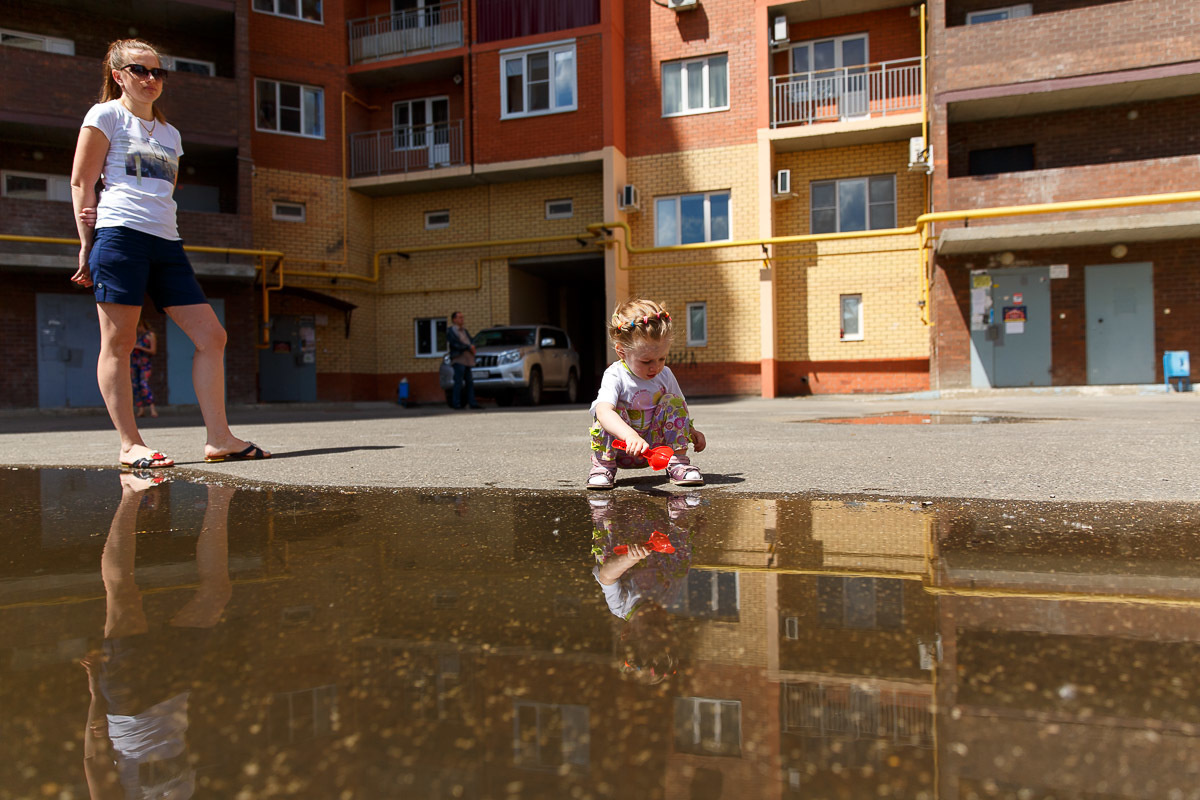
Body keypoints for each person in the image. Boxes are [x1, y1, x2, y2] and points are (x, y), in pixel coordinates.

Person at [70, 38, 269, 468]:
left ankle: (219, 438)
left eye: (157, 71)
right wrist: (87, 245)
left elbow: (163, 192)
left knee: (212, 336)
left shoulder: (170, 134)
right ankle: (130, 445)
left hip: (166, 241)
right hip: (119, 235)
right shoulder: (105, 115)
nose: (150, 78)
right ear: (118, 75)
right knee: (119, 343)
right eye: (139, 70)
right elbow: (81, 183)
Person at [81, 474, 235, 799]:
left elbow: (93, 762)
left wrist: (96, 695)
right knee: (216, 594)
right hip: (175, 694)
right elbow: (183, 747)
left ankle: (131, 493)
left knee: (124, 596)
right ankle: (220, 495)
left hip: (129, 704)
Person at [587, 298, 706, 490]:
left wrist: (691, 432)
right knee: (606, 411)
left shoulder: (665, 374)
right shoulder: (615, 374)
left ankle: (679, 463)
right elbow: (603, 411)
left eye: (661, 358)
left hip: (658, 451)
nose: (656, 367)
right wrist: (629, 436)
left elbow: (679, 411)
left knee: (673, 402)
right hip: (622, 448)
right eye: (646, 361)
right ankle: (602, 467)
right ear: (622, 352)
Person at [447, 310, 482, 410]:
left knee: (469, 382)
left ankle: (472, 403)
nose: (462, 319)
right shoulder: (451, 331)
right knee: (458, 381)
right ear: (454, 319)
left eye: (462, 317)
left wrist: (472, 346)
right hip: (459, 359)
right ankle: (456, 404)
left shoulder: (464, 331)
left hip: (468, 359)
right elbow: (455, 344)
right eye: (459, 317)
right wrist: (468, 347)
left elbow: (470, 341)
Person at [131, 315, 158, 418]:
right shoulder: (137, 336)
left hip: (145, 364)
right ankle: (141, 409)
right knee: (135, 385)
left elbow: (153, 351)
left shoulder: (150, 335)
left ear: (142, 325)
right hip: (134, 364)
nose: (137, 329)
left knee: (144, 384)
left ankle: (152, 408)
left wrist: (140, 347)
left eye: (138, 327)